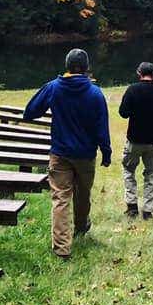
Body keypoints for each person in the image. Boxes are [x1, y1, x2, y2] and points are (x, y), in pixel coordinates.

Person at [24, 48, 112, 259]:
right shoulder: (95, 93)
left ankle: (62, 248)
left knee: (60, 198)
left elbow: (30, 112)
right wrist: (106, 153)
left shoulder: (54, 87)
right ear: (86, 67)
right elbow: (102, 126)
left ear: (66, 66)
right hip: (85, 154)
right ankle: (81, 226)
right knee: (83, 194)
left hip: (60, 153)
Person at [118, 61, 153, 219]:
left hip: (134, 139)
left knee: (128, 170)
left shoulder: (132, 90)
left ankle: (132, 205)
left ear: (139, 73)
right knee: (152, 175)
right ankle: (148, 210)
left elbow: (123, 113)